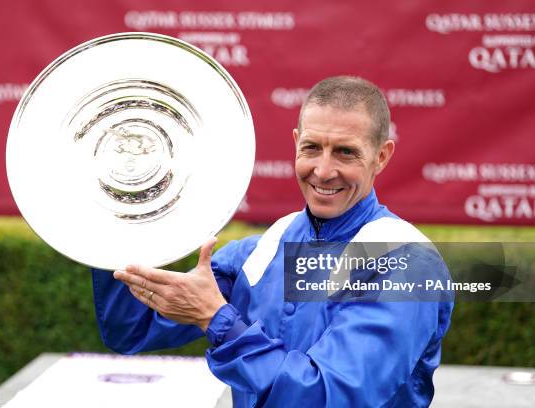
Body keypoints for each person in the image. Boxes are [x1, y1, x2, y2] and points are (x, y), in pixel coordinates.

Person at [91, 76, 453, 407]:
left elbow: (327, 397)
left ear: (382, 156)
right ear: (296, 143)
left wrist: (217, 320)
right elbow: (131, 328)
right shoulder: (260, 249)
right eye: (312, 148)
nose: (324, 171)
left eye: (346, 152)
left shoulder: (407, 262)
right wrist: (117, 205)